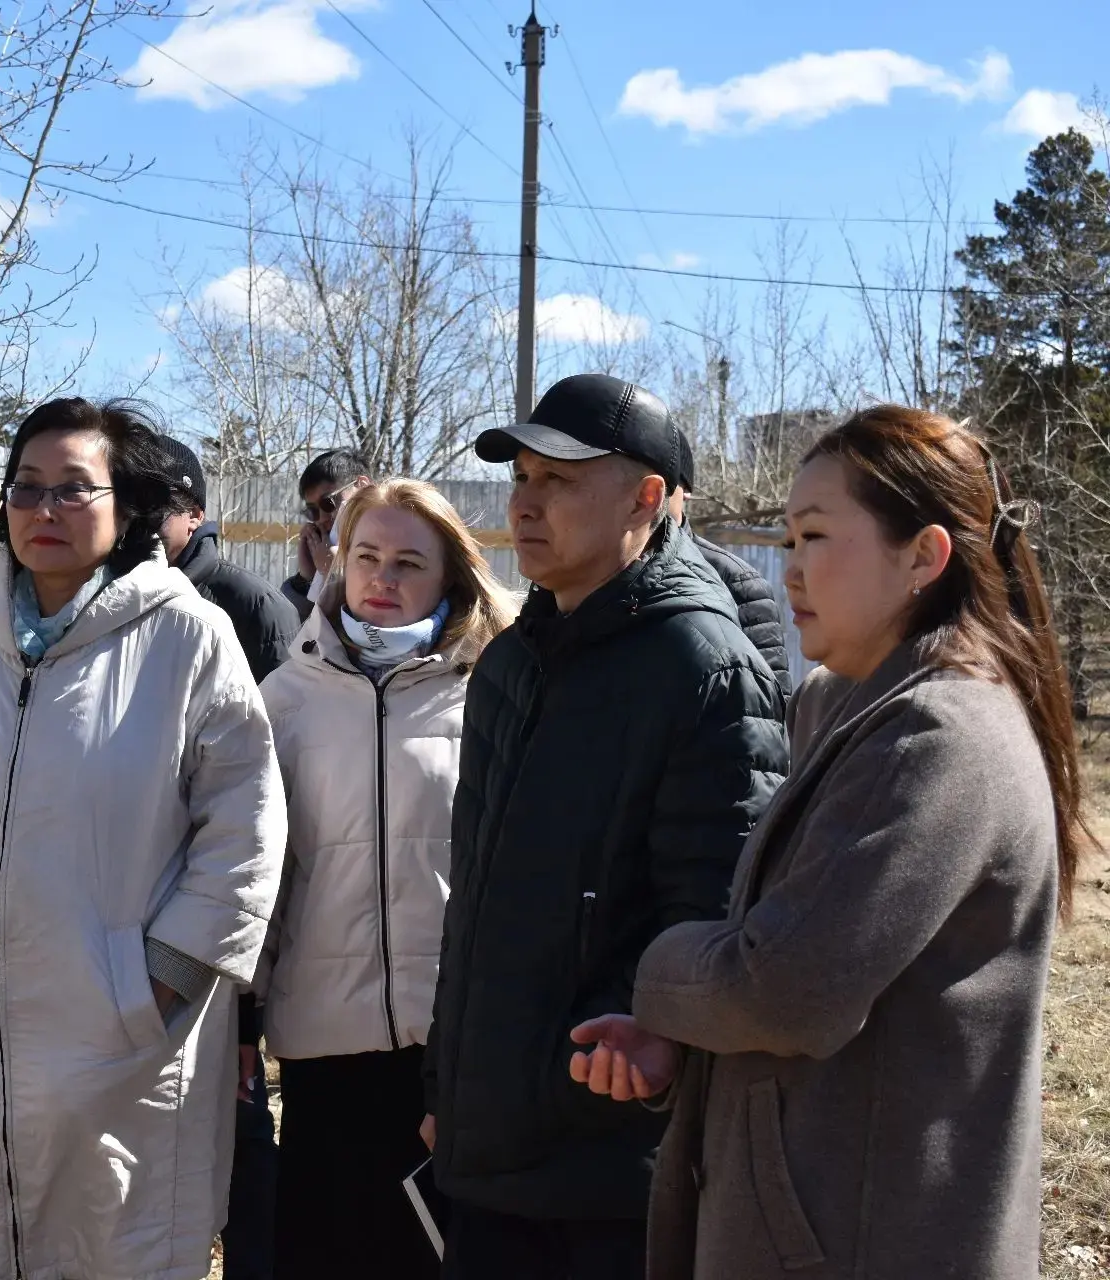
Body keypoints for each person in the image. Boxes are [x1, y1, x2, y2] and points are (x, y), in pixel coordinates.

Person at [569, 407, 1092, 1279]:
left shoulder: (938, 731)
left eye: (815, 535)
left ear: (922, 557)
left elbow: (785, 988)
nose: (789, 563)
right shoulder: (850, 703)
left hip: (872, 1240)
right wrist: (684, 1039)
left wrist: (661, 976)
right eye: (786, 535)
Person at [0, 397, 287, 1280]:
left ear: (127, 507)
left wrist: (163, 983)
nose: (44, 510)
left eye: (73, 489)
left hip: (125, 1043)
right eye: (27, 489)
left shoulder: (187, 639)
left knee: (118, 1250)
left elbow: (245, 832)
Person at [421, 373, 788, 1279]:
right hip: (486, 1148)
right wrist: (454, 1087)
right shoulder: (509, 663)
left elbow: (710, 911)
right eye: (521, 479)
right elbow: (478, 905)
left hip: (603, 1166)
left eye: (560, 481)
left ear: (647, 498)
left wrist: (623, 1047)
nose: (525, 503)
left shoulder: (703, 669)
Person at [258, 479, 515, 1279]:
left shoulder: (494, 690)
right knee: (327, 1249)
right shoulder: (285, 697)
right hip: (321, 1036)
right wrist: (240, 1012)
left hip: (453, 1044)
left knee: (436, 1255)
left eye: (409, 561)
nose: (383, 578)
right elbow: (258, 871)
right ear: (337, 562)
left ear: (450, 576)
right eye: (366, 555)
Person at [155, 433, 300, 1280]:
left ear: (197, 514)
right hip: (140, 917)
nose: (152, 518)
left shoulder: (244, 609)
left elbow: (271, 792)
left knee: (243, 1121)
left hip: (226, 912)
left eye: (166, 502)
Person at [667, 436, 791, 691]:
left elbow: (770, 705)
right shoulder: (587, 574)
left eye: (664, 478)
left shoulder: (738, 582)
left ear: (685, 489)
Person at [282, 447, 371, 619]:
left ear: (362, 486)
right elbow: (300, 633)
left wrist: (339, 573)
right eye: (312, 511)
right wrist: (305, 579)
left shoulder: (396, 535)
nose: (322, 518)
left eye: (329, 503)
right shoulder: (326, 549)